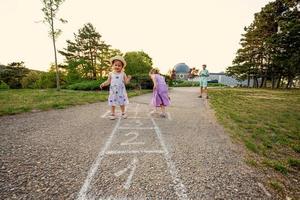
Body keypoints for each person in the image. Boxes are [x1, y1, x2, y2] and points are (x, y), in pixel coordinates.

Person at [100, 55, 131, 120]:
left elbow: (126, 82)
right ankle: (112, 113)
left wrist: (128, 79)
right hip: (113, 91)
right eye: (115, 65)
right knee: (112, 103)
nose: (117, 66)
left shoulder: (123, 73)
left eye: (119, 65)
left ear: (122, 67)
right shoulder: (111, 73)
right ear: (113, 65)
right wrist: (103, 84)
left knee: (121, 102)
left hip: (121, 91)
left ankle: (123, 113)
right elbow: (108, 81)